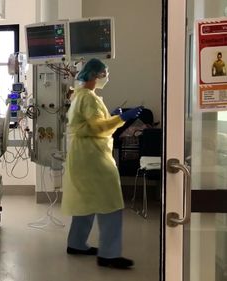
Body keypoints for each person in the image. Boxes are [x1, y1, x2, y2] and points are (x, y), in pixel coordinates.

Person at [61, 58, 142, 269]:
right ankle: (109, 254)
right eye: (105, 73)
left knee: (86, 201)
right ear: (96, 75)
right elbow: (98, 127)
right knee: (110, 203)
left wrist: (112, 115)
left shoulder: (80, 95)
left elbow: (93, 122)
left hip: (82, 156)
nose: (107, 77)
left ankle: (76, 243)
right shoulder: (89, 98)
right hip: (93, 157)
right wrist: (123, 119)